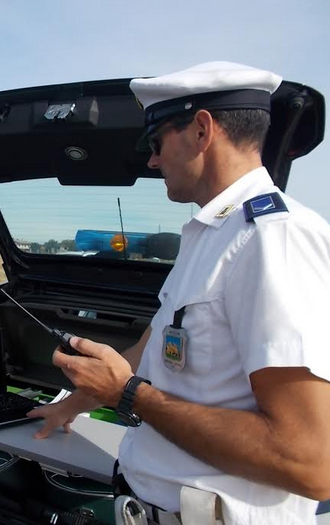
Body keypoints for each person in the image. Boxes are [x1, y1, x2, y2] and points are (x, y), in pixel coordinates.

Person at [27, 62, 330, 525]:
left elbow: (310, 461)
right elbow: (147, 356)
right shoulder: (210, 235)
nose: (152, 160)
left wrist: (127, 396)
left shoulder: (273, 238)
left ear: (202, 130)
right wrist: (71, 404)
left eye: (156, 142)